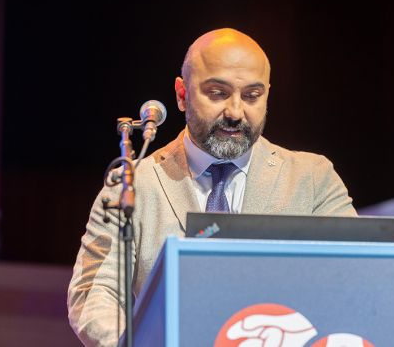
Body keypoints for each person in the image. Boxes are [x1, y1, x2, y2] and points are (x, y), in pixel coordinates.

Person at [67, 28, 358, 346]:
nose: (235, 112)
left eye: (252, 96)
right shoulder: (132, 186)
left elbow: (356, 279)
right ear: (182, 94)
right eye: (218, 93)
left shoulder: (312, 178)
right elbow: (95, 293)